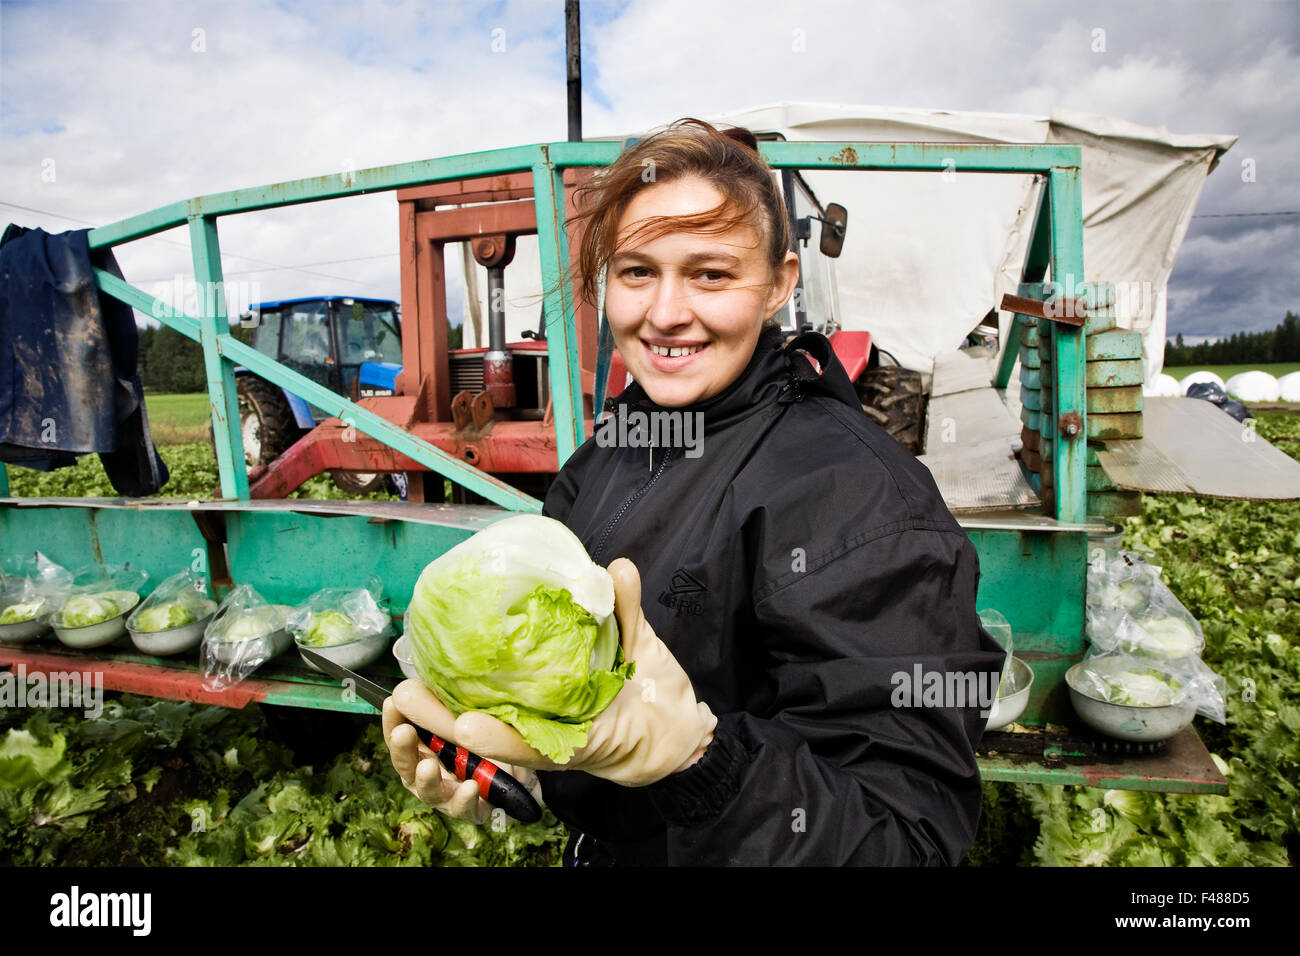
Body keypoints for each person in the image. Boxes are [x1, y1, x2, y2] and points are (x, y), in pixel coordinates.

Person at [383, 118, 1005, 866]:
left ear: (779, 283)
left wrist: (702, 766)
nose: (667, 313)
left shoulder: (864, 503)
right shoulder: (616, 449)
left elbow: (907, 841)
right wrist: (526, 757)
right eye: (638, 272)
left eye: (710, 274)